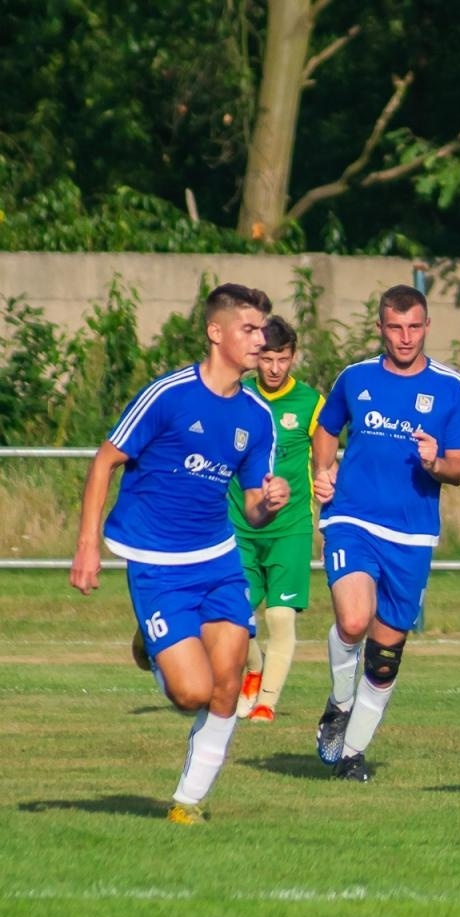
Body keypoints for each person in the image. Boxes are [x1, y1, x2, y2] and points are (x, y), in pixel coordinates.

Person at [70, 283, 289, 825]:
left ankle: (187, 803)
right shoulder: (168, 395)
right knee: (192, 693)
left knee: (229, 682)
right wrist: (87, 547)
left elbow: (256, 507)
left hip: (216, 558)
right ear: (216, 333)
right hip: (156, 562)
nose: (260, 339)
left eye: (262, 329)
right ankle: (152, 640)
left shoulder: (258, 417)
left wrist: (272, 502)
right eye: (249, 329)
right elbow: (104, 462)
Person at [311, 284, 460, 781]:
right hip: (352, 518)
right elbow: (325, 426)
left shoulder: (451, 387)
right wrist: (325, 469)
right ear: (380, 328)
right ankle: (339, 704)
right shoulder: (354, 378)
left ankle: (352, 754)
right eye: (395, 327)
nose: (405, 337)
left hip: (412, 534)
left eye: (414, 327)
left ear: (427, 327)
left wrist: (434, 462)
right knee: (355, 620)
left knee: (384, 656)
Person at [227, 315, 324, 723]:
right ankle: (252, 669)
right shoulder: (238, 397)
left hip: (291, 527)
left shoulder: (310, 403)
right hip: (239, 525)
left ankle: (265, 702)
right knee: (234, 615)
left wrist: (327, 480)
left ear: (293, 357)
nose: (273, 368)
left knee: (281, 616)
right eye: (266, 358)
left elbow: (323, 462)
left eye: (282, 359)